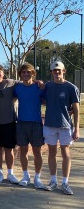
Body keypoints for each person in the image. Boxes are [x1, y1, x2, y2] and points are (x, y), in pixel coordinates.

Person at [43, 61, 80, 195]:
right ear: (51, 72)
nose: (57, 72)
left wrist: (77, 129)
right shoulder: (48, 86)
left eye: (59, 70)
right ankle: (53, 181)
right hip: (49, 124)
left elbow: (76, 109)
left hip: (65, 126)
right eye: (54, 70)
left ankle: (65, 183)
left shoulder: (71, 88)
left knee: (65, 153)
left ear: (64, 71)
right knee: (52, 152)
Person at [13, 63, 45, 189]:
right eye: (23, 72)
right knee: (23, 151)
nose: (26, 74)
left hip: (36, 124)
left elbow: (49, 100)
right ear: (20, 74)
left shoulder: (40, 87)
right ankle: (25, 176)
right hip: (21, 123)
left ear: (33, 74)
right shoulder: (17, 88)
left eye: (29, 72)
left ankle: (37, 177)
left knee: (37, 152)